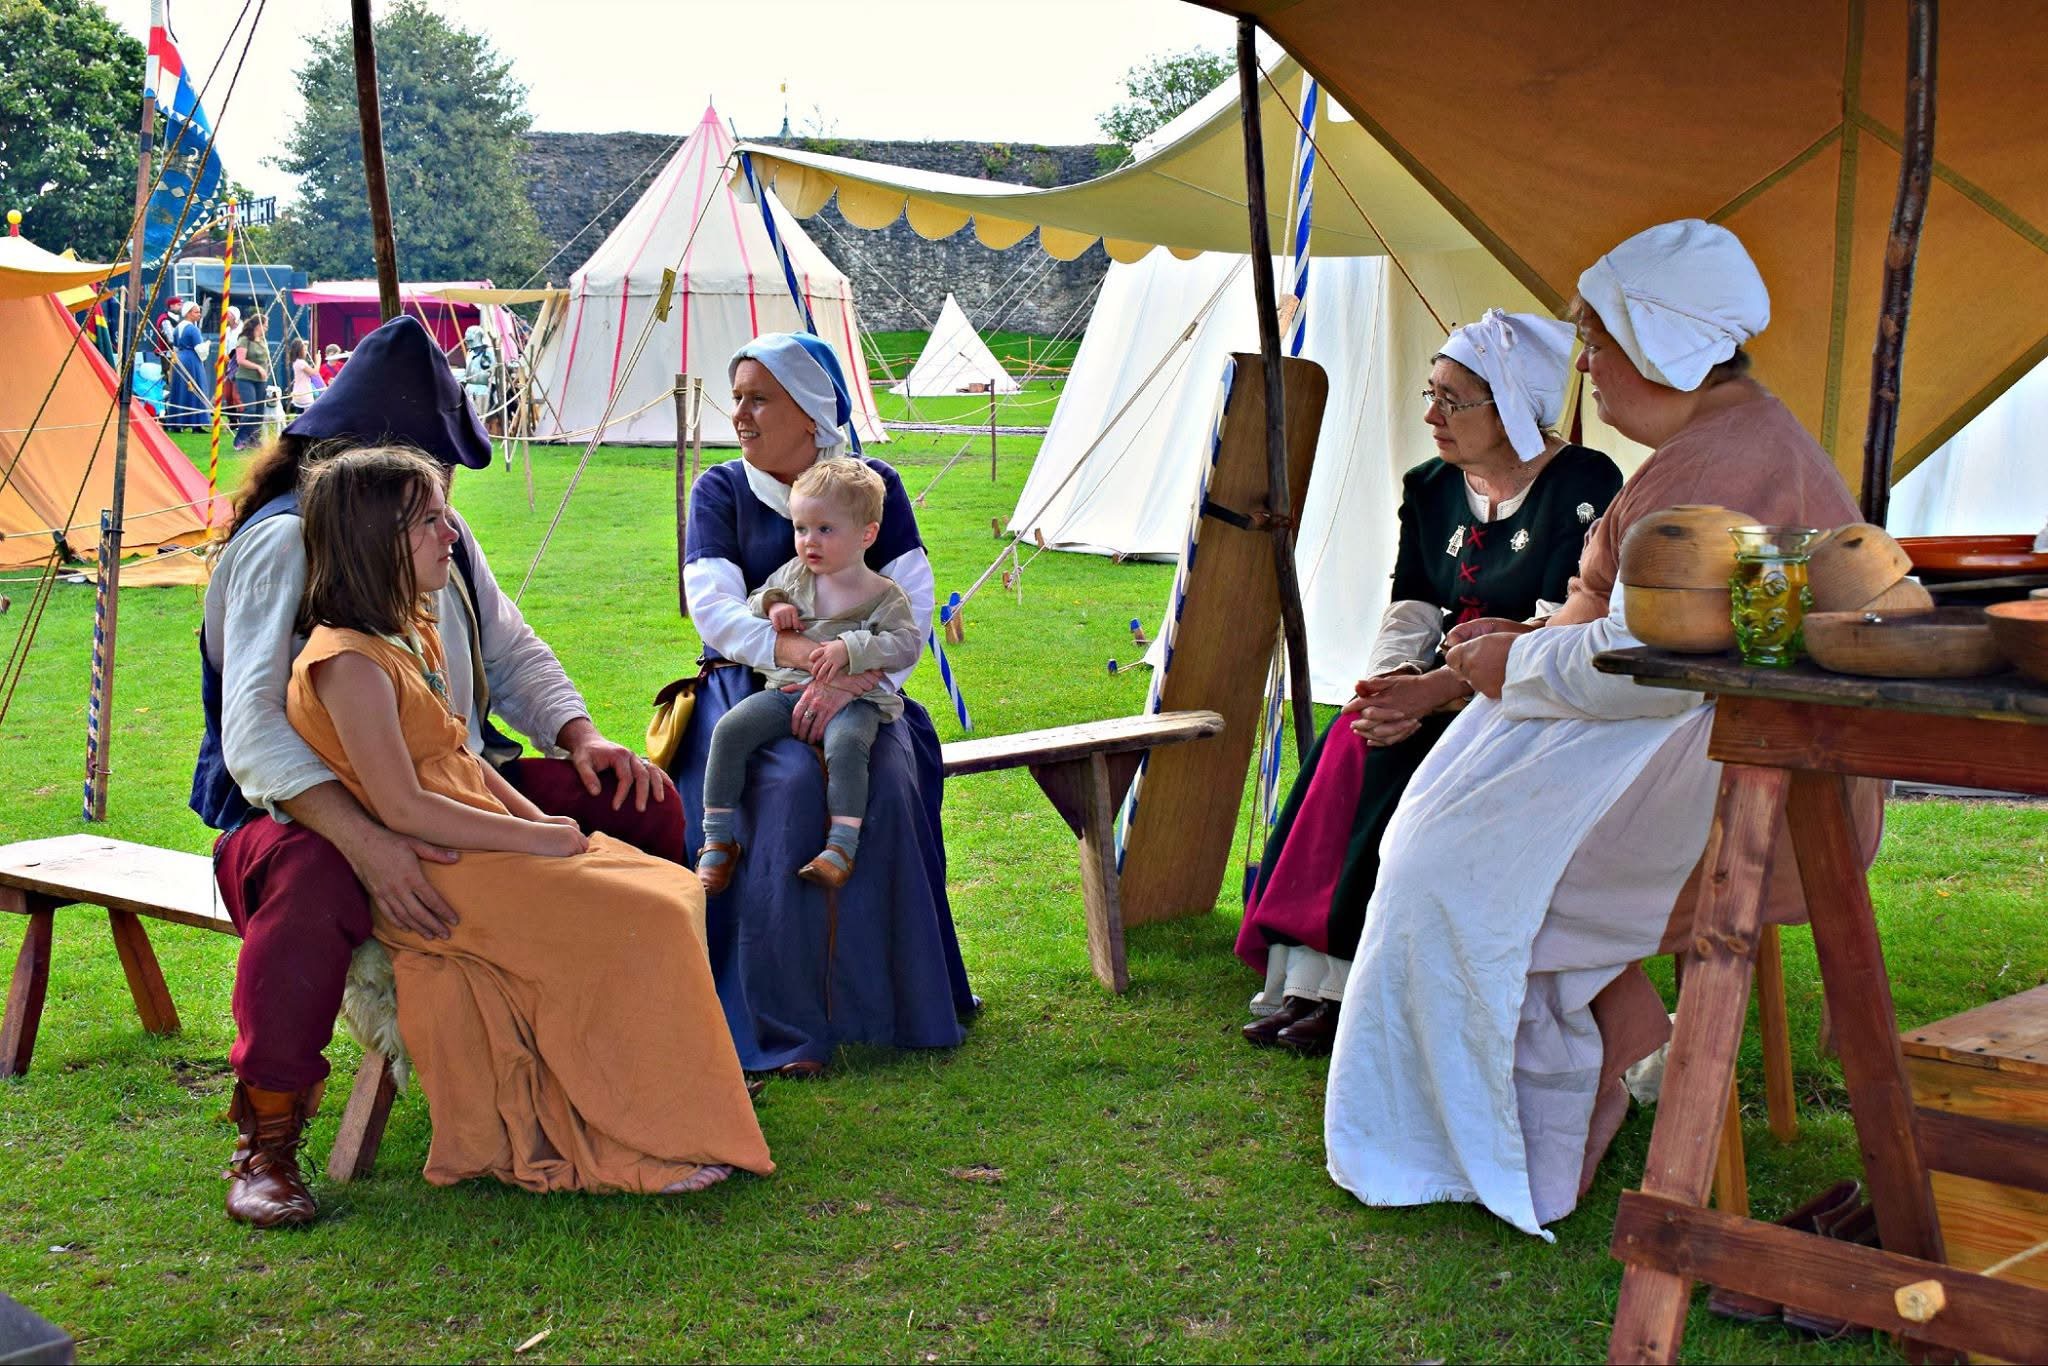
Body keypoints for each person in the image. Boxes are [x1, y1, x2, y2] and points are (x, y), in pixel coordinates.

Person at [1322, 220, 1881, 1238]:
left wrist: (1512, 662)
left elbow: (1662, 667)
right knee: (1437, 854)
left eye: (1597, 336)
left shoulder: (1731, 460)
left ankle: (1541, 1106)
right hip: (1687, 747)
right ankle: (1571, 1059)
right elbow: (1620, 630)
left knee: (1454, 870)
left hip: (1733, 776)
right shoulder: (1712, 443)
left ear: (1657, 340)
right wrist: (1514, 649)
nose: (1581, 359)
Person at [192, 314, 685, 1228]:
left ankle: (656, 1053)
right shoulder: (281, 544)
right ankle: (267, 1143)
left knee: (638, 805)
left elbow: (510, 644)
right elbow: (253, 730)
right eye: (429, 480)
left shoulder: (438, 538)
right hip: (295, 818)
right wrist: (371, 839)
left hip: (453, 783)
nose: (446, 506)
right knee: (309, 887)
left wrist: (580, 737)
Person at [284, 446, 771, 1195]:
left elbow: (463, 755)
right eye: (429, 521)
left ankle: (674, 1107)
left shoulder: (405, 633)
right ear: (374, 540)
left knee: (668, 891)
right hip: (440, 872)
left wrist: (539, 822)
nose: (451, 533)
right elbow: (403, 806)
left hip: (477, 842)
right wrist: (537, 838)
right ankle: (634, 1141)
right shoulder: (347, 663)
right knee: (644, 914)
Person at [1236, 311, 1623, 1055]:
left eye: (1454, 401)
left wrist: (1437, 691)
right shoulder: (1431, 485)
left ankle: (1354, 985)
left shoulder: (1580, 482)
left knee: (1393, 764)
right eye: (1430, 394)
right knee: (1355, 735)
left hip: (1525, 695)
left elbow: (1561, 622)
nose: (1431, 416)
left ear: (1511, 401)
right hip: (1435, 684)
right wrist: (1388, 685)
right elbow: (1412, 599)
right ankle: (1308, 977)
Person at [671, 332, 974, 1077]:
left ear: (809, 413)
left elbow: (913, 602)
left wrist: (848, 676)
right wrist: (800, 658)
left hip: (866, 685)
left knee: (890, 783)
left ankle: (896, 1006)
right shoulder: (721, 489)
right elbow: (712, 607)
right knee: (784, 782)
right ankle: (774, 1021)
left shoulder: (875, 486)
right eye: (736, 396)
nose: (740, 414)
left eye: (758, 398)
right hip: (753, 682)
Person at [699, 458, 924, 894]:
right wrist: (773, 604)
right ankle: (717, 838)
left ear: (867, 534)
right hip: (788, 689)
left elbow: (905, 644)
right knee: (730, 729)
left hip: (857, 702)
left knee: (847, 745)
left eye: (824, 529)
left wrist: (852, 648)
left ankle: (840, 847)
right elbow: (756, 598)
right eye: (801, 529)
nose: (808, 542)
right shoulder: (797, 575)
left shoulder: (883, 595)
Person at [166, 304, 208, 432]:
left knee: (180, 390)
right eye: (196, 312)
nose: (199, 315)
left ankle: (177, 422)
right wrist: (208, 344)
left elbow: (175, 345)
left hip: (179, 359)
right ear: (188, 313)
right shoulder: (192, 329)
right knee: (196, 387)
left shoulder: (178, 327)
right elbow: (200, 348)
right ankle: (196, 424)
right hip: (191, 360)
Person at [233, 310, 270, 450]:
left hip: (260, 380)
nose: (267, 328)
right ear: (258, 325)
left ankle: (254, 439)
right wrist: (258, 368)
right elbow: (240, 360)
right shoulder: (244, 339)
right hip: (245, 378)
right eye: (265, 325)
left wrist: (264, 370)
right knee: (251, 409)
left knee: (260, 411)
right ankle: (239, 440)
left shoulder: (262, 340)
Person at [286, 338, 324, 412]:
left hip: (298, 393)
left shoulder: (296, 362)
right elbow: (314, 373)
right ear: (299, 351)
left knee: (299, 414)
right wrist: (318, 361)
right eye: (305, 350)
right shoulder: (301, 363)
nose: (306, 352)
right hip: (304, 394)